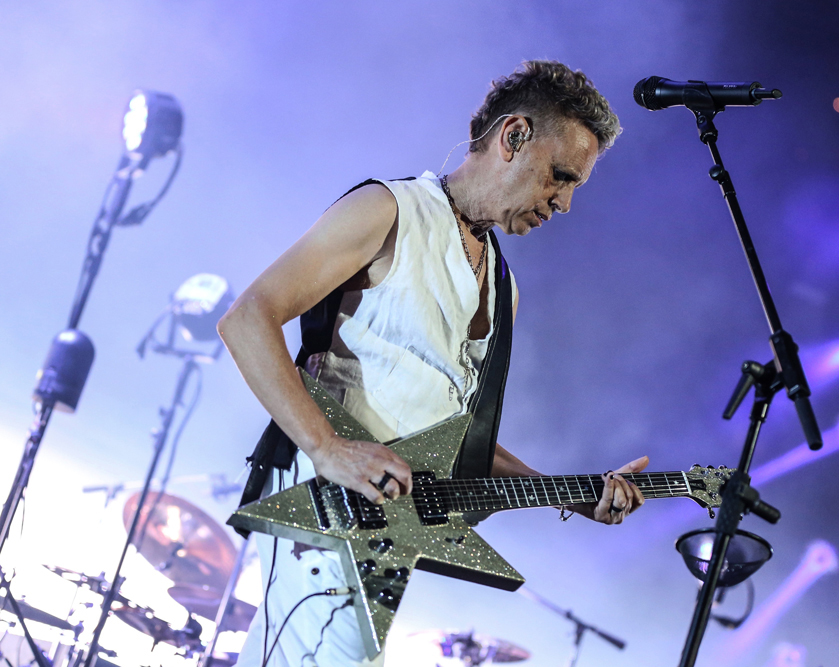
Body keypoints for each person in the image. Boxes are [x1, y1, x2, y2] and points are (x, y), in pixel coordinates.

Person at [219, 60, 650, 667]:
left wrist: (568, 494)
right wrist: (326, 447)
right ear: (514, 136)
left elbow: (457, 442)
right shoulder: (389, 210)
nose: (566, 202)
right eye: (561, 176)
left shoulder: (504, 288)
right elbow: (247, 318)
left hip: (384, 525)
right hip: (324, 501)